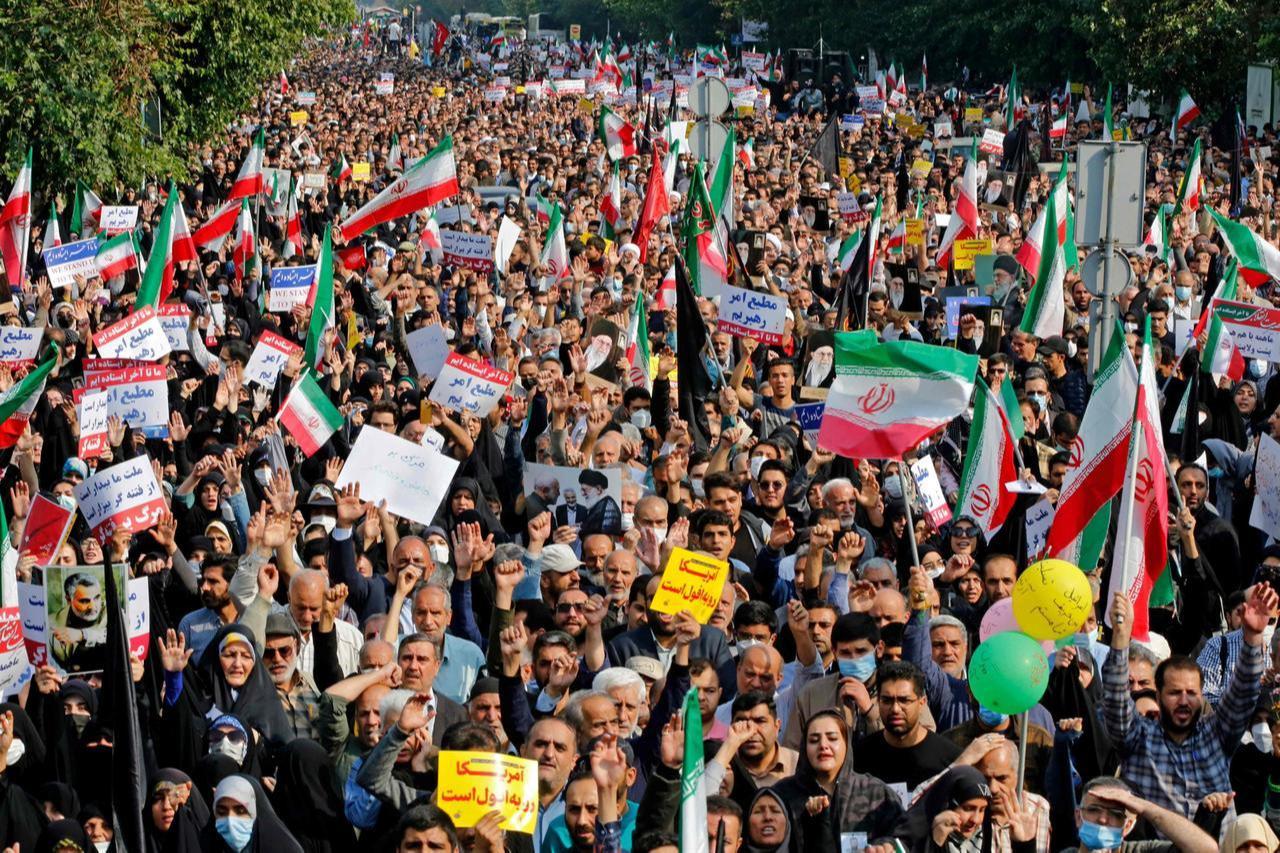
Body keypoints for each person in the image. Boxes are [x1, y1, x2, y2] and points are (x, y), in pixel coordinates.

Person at [48, 570, 108, 674]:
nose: (93, 607)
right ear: (68, 600)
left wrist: (83, 635)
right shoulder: (51, 622)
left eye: (97, 598)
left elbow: (120, 637)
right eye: (84, 601)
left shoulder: (113, 612)